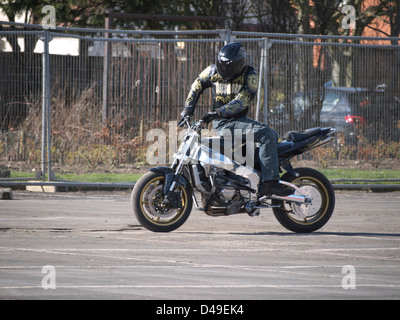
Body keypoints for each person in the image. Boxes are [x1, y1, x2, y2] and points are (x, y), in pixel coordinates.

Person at [180, 42, 291, 197]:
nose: (224, 69)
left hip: (233, 120)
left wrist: (217, 113)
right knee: (267, 135)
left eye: (228, 66)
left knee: (268, 134)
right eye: (222, 65)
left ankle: (254, 174)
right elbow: (196, 86)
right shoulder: (212, 71)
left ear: (240, 64)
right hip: (225, 124)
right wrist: (187, 110)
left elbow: (242, 100)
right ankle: (270, 183)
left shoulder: (250, 75)